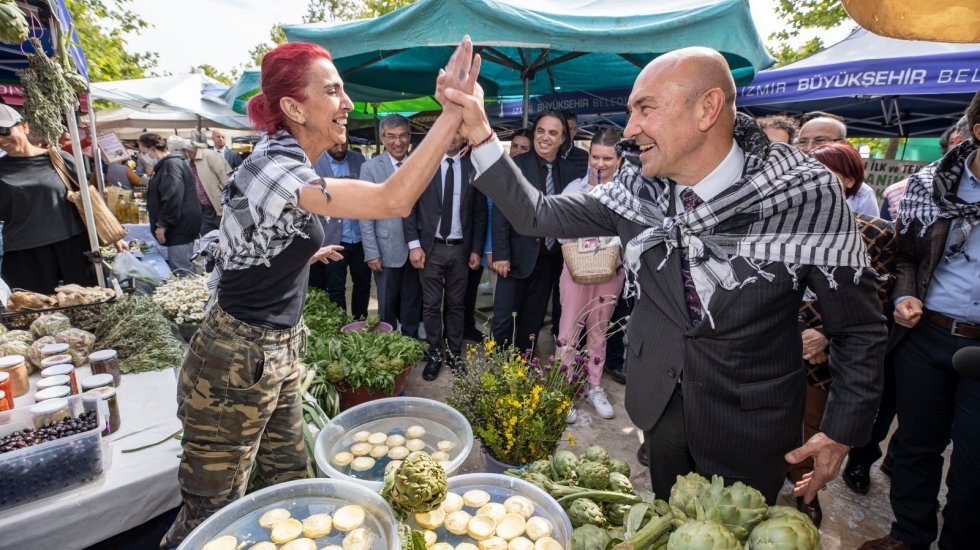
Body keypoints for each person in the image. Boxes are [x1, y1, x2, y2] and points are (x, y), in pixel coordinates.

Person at [444, 46, 886, 504]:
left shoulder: (803, 194)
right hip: (660, 410)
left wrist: (840, 431)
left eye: (645, 109)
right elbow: (535, 214)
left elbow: (858, 327)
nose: (630, 129)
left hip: (751, 426)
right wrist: (478, 130)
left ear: (707, 109)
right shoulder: (636, 191)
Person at [159, 38, 481, 547]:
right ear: (292, 107)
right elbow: (392, 199)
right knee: (210, 516)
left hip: (277, 352)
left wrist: (297, 258)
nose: (347, 103)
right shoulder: (272, 165)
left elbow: (244, 240)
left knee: (290, 485)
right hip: (234, 364)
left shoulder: (293, 162)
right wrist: (451, 114)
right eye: (333, 91)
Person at [860, 92, 980, 550]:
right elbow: (906, 255)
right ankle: (908, 535)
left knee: (974, 461)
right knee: (914, 445)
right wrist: (905, 293)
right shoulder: (930, 184)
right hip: (926, 334)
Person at [789, 141, 896, 527]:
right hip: (784, 344)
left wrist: (825, 336)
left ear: (850, 179)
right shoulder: (786, 226)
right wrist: (800, 330)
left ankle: (807, 493)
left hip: (825, 356)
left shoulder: (875, 232)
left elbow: (873, 305)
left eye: (829, 173)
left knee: (814, 428)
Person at [490, 110, 576, 351]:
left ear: (562, 139)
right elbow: (500, 212)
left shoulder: (571, 173)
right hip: (515, 258)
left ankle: (522, 370)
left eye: (552, 133)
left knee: (532, 322)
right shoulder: (513, 166)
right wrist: (501, 254)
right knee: (504, 320)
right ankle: (498, 371)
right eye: (540, 131)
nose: (545, 137)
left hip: (551, 261)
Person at [404, 131, 487, 380]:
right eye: (447, 130)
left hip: (460, 249)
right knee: (430, 305)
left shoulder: (474, 167)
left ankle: (454, 352)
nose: (450, 136)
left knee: (456, 304)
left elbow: (480, 213)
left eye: (457, 132)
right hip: (431, 249)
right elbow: (408, 206)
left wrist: (476, 249)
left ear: (464, 138)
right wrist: (414, 245)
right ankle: (435, 353)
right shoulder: (425, 165)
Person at [556, 127, 626, 421]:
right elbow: (558, 231)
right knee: (569, 331)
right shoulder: (574, 188)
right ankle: (562, 390)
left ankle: (594, 385)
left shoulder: (628, 193)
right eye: (595, 157)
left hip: (611, 270)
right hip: (576, 270)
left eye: (607, 158)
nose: (599, 164)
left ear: (620, 159)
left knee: (599, 330)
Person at [0, 104, 97, 292]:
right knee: (34, 316)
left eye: (4, 131)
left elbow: (88, 196)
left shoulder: (59, 158)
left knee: (88, 307)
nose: (1, 139)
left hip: (72, 246)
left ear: (25, 126)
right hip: (25, 253)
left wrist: (113, 235)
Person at [359, 115, 423, 338]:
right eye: (391, 136)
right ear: (382, 138)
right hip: (385, 249)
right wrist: (371, 252)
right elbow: (365, 214)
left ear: (409, 136)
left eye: (403, 135)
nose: (398, 142)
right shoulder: (370, 168)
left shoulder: (420, 164)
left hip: (416, 247)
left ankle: (410, 341)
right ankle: (389, 343)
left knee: (413, 299)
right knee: (387, 300)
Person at [311, 139, 372, 319]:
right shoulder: (316, 162)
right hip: (334, 239)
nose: (339, 149)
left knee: (363, 283)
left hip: (359, 236)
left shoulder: (358, 159)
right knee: (336, 286)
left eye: (344, 145)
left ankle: (360, 320)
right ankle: (340, 324)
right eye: (335, 145)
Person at [138, 133, 202, 274]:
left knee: (182, 271)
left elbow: (173, 195)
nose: (143, 157)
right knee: (183, 267)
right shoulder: (169, 164)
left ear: (153, 149)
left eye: (143, 152)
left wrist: (162, 224)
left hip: (180, 228)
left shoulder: (170, 164)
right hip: (181, 226)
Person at [173, 137, 232, 234]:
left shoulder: (209, 156)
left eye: (180, 151)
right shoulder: (189, 162)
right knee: (207, 240)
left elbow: (227, 180)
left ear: (186, 150)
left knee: (224, 238)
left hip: (220, 207)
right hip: (204, 210)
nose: (180, 154)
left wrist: (226, 202)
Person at [561, 110, 590, 178]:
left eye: (569, 129)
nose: (566, 133)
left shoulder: (584, 156)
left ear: (575, 130)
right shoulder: (550, 154)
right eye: (564, 129)